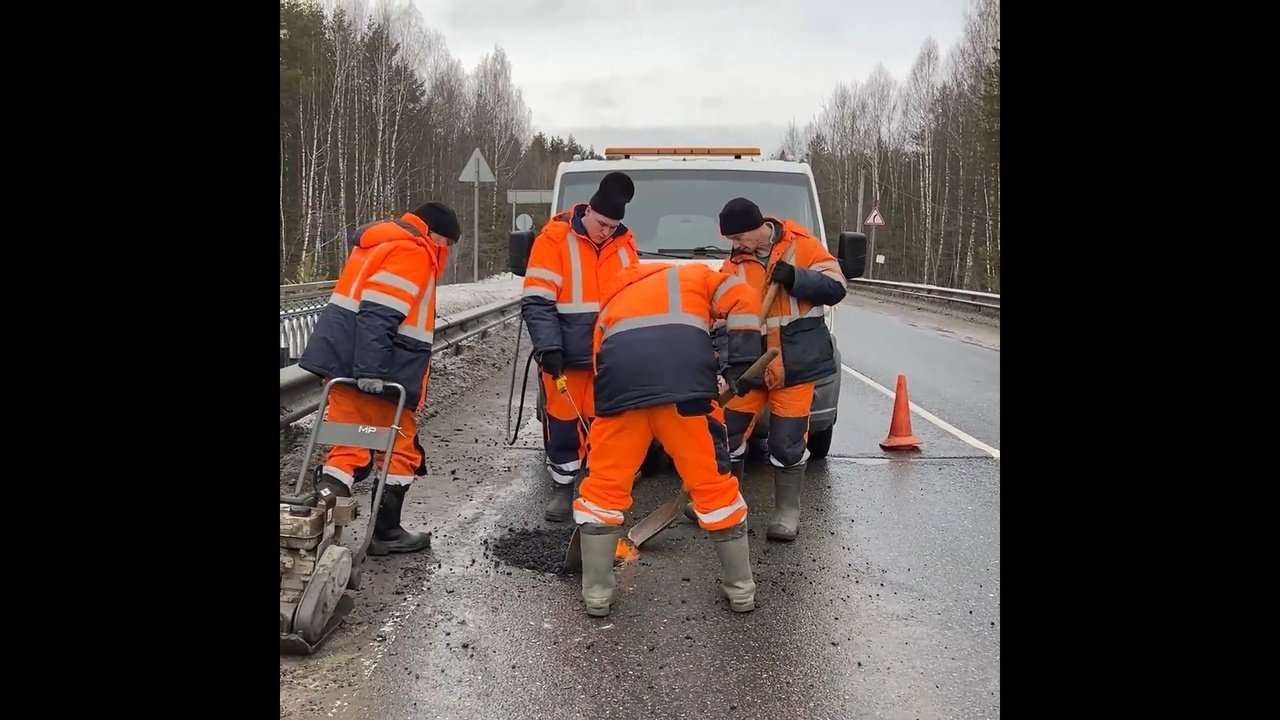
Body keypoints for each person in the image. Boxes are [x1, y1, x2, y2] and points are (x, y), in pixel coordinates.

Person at [572, 261, 764, 617]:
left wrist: (623, 417)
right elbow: (744, 297)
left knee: (604, 487)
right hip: (687, 392)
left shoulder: (611, 302)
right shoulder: (697, 277)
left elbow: (599, 364)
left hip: (620, 395)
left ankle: (596, 593)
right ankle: (741, 591)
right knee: (713, 487)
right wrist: (741, 362)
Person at [298, 201, 462, 555]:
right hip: (382, 374)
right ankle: (385, 532)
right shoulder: (413, 252)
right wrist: (371, 372)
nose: (445, 253)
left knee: (348, 447)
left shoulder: (380, 243)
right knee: (400, 451)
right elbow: (379, 313)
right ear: (435, 235)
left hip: (343, 365)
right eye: (447, 244)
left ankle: (316, 529)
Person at [715, 197, 848, 542]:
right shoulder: (734, 265)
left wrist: (798, 279)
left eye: (739, 238)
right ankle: (725, 502)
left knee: (786, 442)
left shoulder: (802, 246)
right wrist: (729, 365)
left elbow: (837, 288)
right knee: (727, 432)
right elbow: (718, 318)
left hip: (796, 363)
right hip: (750, 364)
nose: (735, 246)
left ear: (757, 228)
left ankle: (787, 514)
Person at [520, 172, 639, 522]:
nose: (606, 232)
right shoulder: (554, 240)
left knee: (607, 426)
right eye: (602, 224)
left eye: (613, 226)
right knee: (563, 422)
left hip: (609, 359)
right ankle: (562, 488)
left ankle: (598, 491)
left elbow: (631, 299)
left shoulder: (624, 244)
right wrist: (548, 347)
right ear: (588, 212)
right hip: (566, 358)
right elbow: (537, 301)